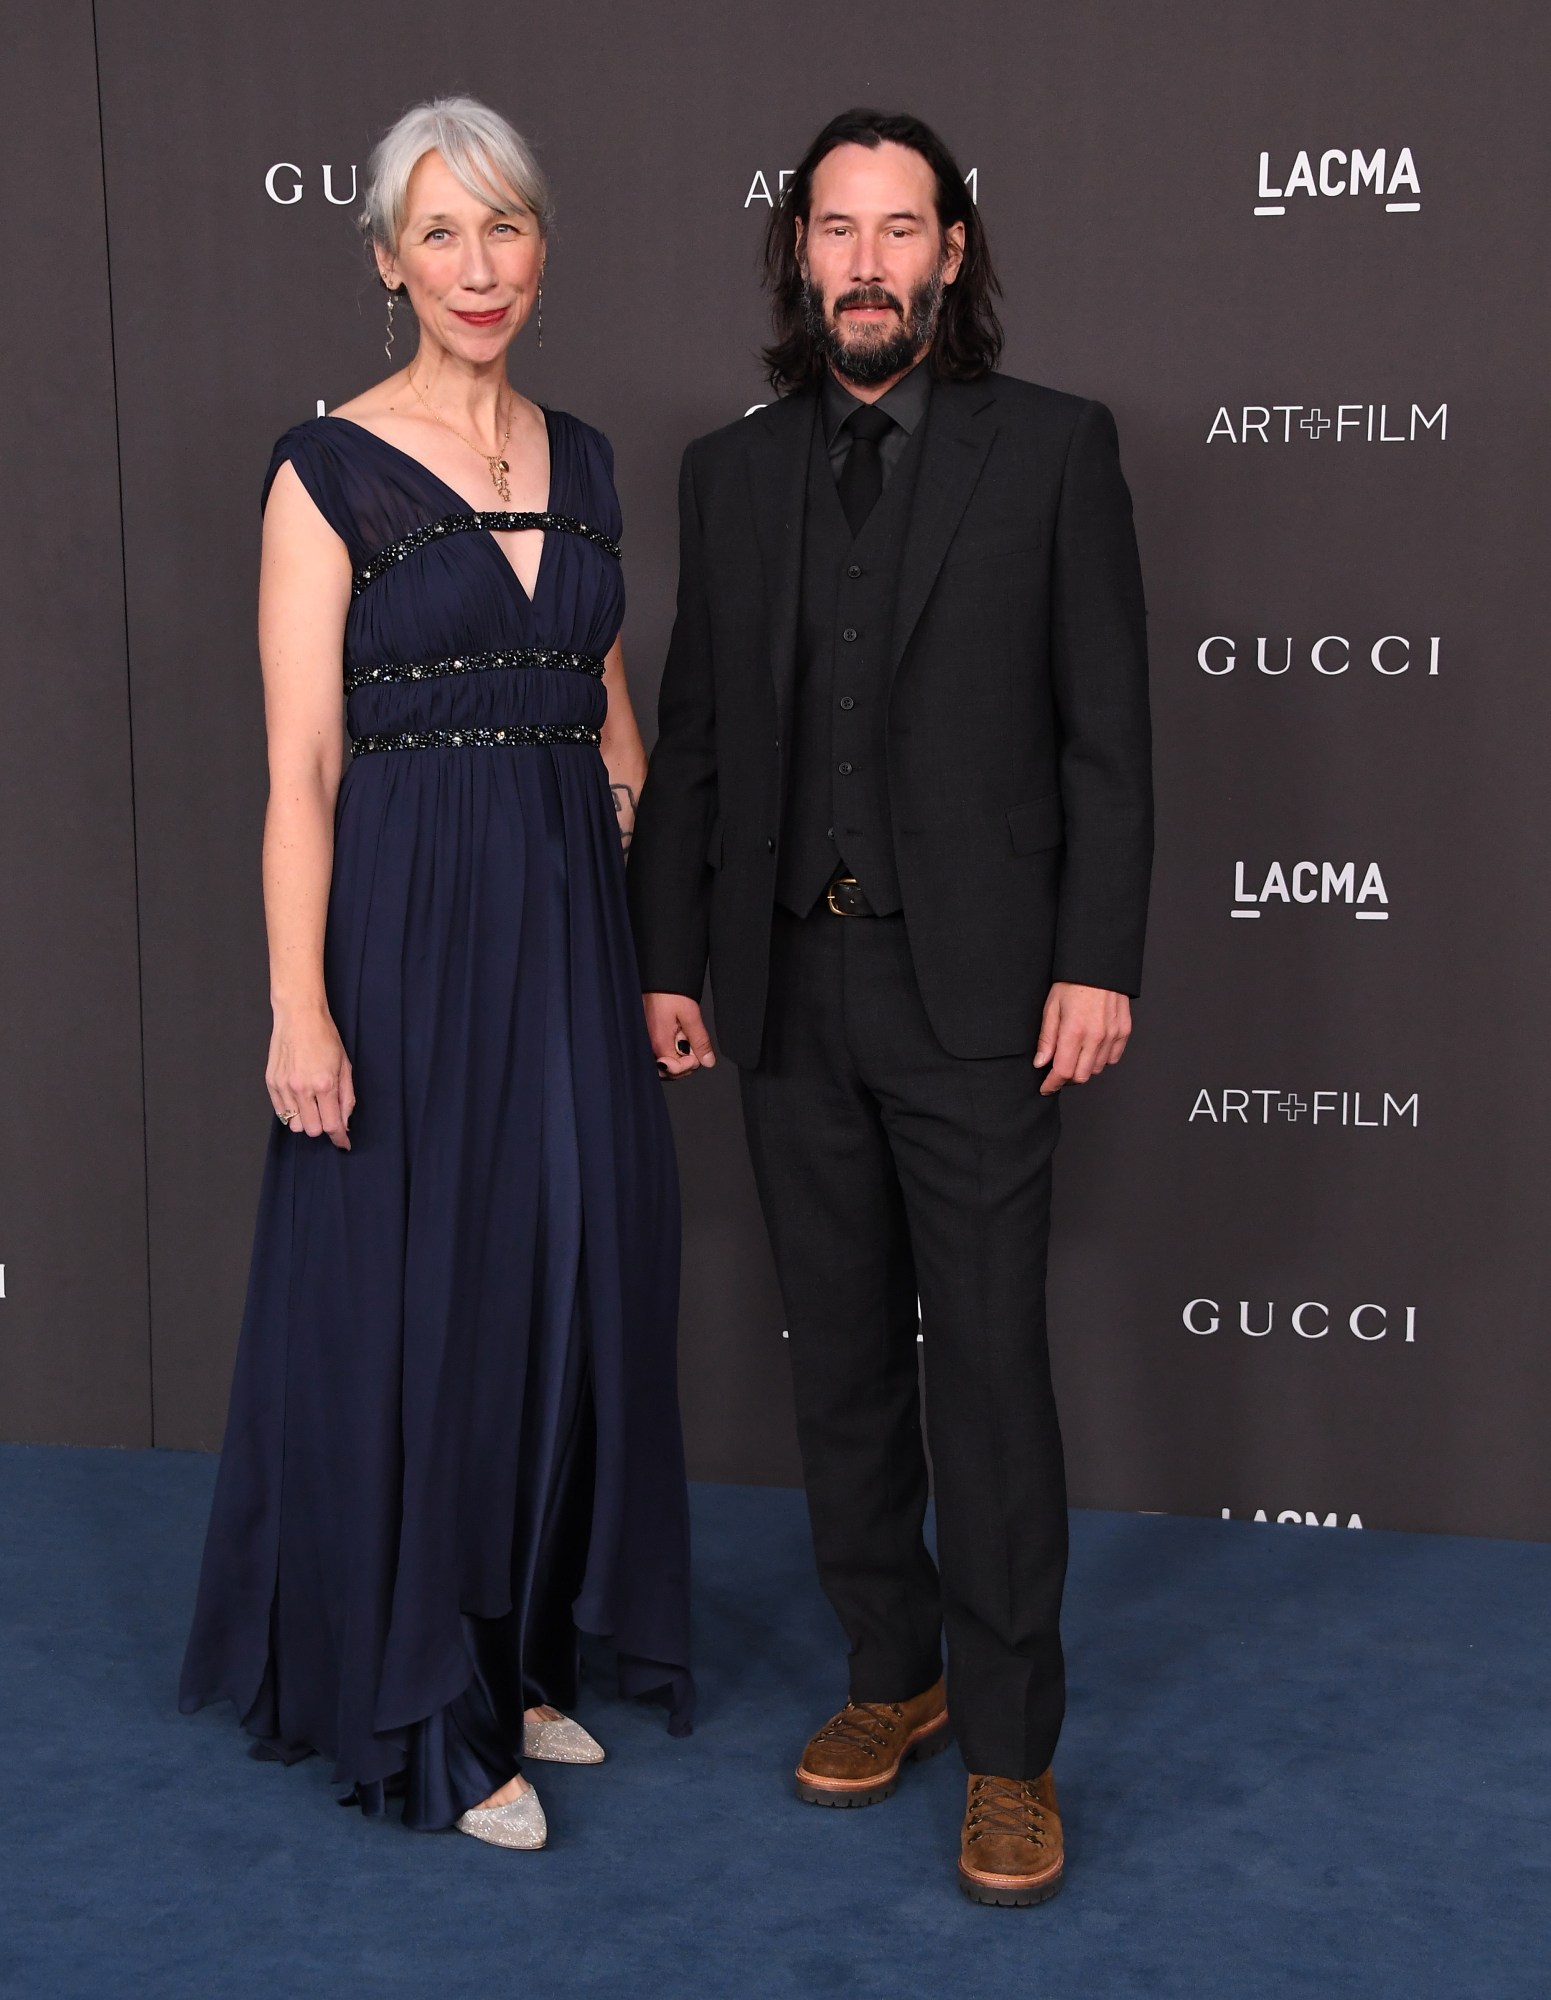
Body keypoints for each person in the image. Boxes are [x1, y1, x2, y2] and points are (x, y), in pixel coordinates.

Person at [627, 108, 1151, 1906]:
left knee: (989, 1377)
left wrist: (1099, 957)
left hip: (985, 1001)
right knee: (840, 1368)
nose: (866, 260)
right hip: (785, 988)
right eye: (835, 229)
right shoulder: (730, 470)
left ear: (950, 256)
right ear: (798, 257)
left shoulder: (1059, 452)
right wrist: (669, 957)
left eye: (899, 229)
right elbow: (693, 738)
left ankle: (1010, 1755)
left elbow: (1109, 741)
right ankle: (894, 1675)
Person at [180, 96, 691, 1852]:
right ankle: (426, 1704)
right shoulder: (325, 470)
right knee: (424, 1303)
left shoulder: (595, 460)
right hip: (403, 930)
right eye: (440, 235)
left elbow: (607, 712)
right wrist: (299, 1005)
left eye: (507, 231)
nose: (479, 269)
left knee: (566, 1288)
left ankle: (523, 1646)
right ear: (388, 259)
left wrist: (654, 939)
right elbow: (300, 769)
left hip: (572, 931)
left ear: (544, 251)